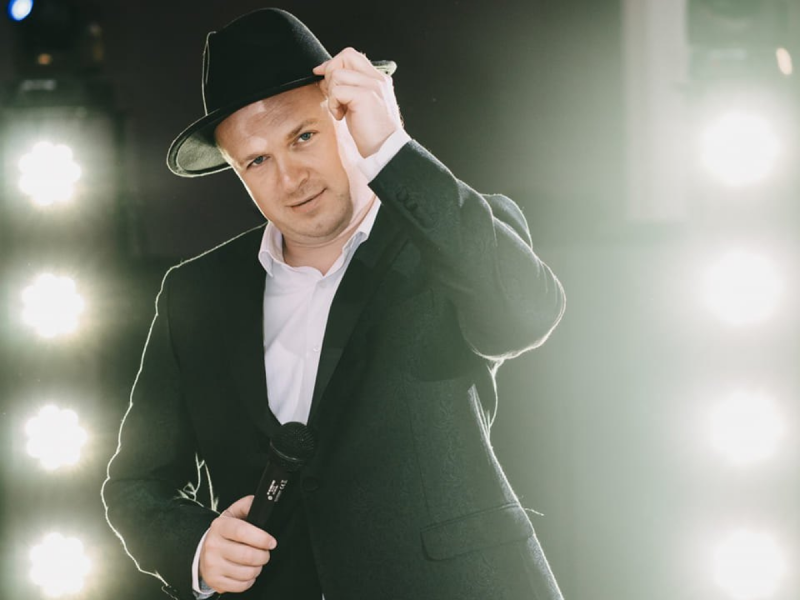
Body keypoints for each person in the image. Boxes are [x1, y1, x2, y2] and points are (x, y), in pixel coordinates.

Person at [102, 7, 566, 600]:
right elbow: (135, 484)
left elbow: (525, 313)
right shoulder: (196, 293)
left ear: (347, 116)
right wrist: (196, 546)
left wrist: (392, 147)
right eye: (257, 160)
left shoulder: (446, 238)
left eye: (303, 136)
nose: (290, 178)